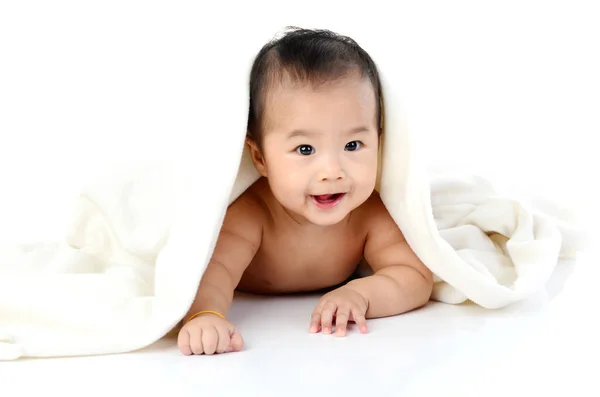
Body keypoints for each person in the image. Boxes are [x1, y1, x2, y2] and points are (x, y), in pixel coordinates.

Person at [177, 27, 433, 356]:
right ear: (260, 158)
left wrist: (362, 295)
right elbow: (214, 272)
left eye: (353, 145)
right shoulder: (253, 215)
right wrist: (205, 315)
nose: (332, 172)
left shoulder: (368, 213)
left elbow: (413, 276)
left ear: (380, 143)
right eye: (305, 149)